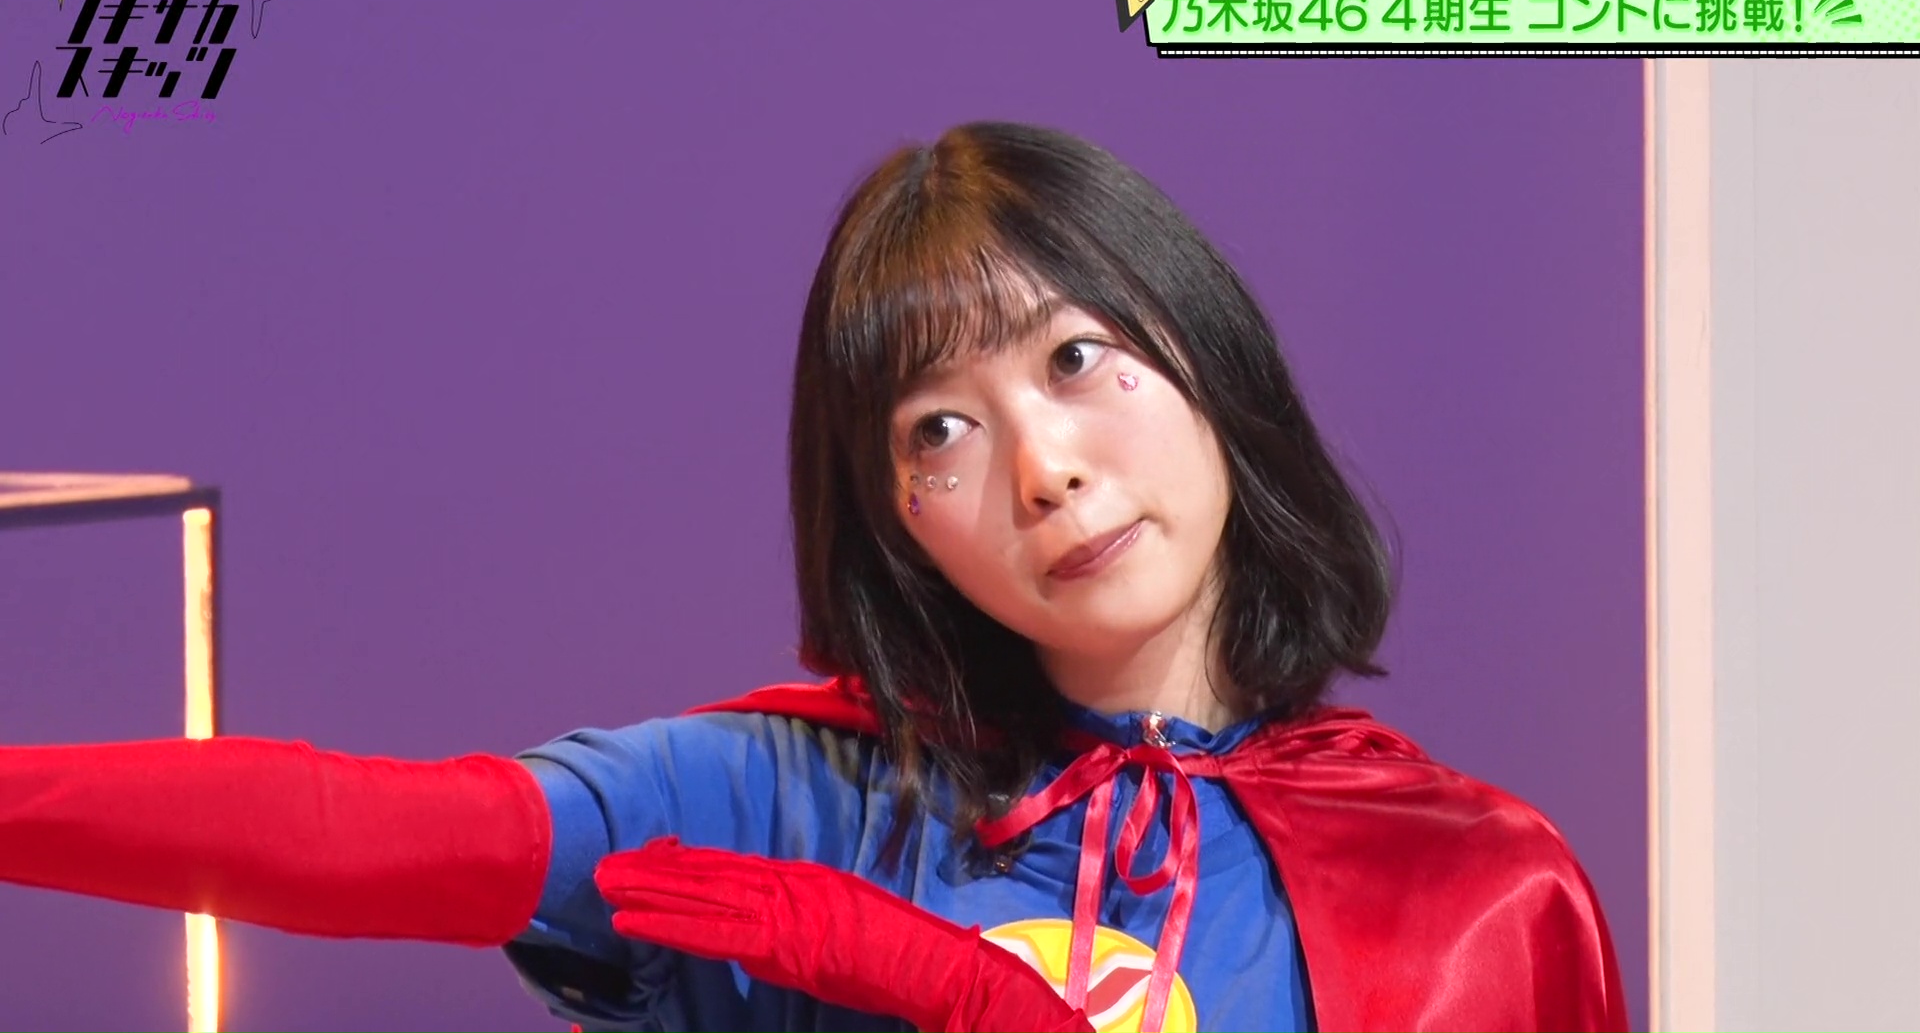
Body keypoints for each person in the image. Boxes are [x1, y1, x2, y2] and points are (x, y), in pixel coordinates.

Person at [0, 121, 1627, 1033]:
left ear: (1205, 352)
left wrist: (975, 1004)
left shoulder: (1475, 894)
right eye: (941, 430)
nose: (1043, 468)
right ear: (900, 520)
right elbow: (393, 834)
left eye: (1075, 358)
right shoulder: (803, 800)